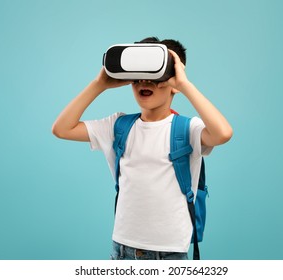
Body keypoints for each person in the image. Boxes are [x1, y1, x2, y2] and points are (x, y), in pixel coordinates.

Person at [52, 37, 233, 260]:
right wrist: (98, 84)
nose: (144, 82)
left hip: (168, 255)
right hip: (121, 250)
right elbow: (62, 129)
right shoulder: (118, 126)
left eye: (156, 76)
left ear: (173, 83)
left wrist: (185, 85)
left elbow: (223, 133)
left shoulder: (188, 129)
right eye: (137, 77)